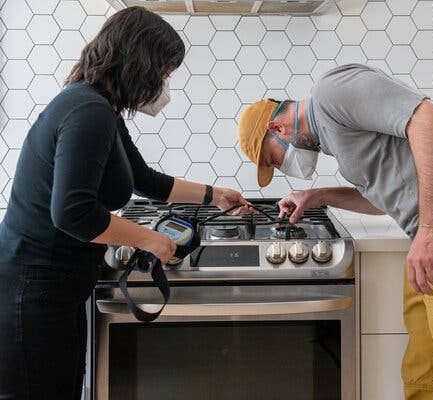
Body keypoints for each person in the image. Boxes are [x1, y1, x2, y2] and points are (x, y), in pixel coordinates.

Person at [237, 63, 433, 400]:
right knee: (427, 377)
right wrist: (318, 196)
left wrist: (430, 227)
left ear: (276, 126)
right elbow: (385, 199)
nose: (283, 167)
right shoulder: (337, 140)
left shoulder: (329, 93)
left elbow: (428, 119)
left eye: (274, 159)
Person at [0, 7, 250, 399]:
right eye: (164, 73)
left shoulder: (100, 109)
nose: (165, 85)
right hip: (33, 294)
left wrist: (213, 195)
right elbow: (72, 212)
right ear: (141, 64)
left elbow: (143, 180)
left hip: (51, 288)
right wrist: (145, 238)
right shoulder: (88, 112)